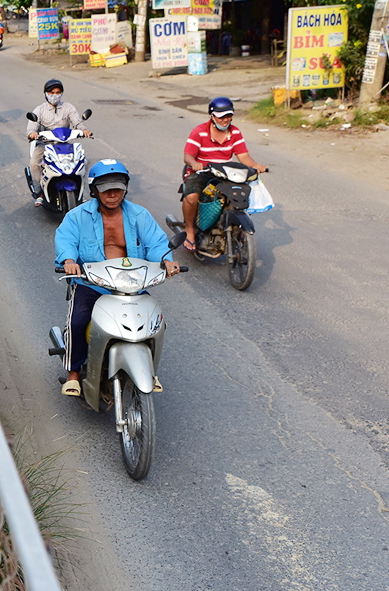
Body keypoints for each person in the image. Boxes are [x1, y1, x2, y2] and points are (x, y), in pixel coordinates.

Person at [54, 160, 180, 397]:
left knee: (154, 323)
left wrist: (166, 260)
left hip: (131, 285)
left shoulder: (139, 215)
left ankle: (149, 370)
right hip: (92, 284)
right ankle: (72, 374)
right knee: (77, 323)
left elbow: (156, 243)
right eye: (106, 189)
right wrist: (69, 261)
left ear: (125, 188)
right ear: (94, 191)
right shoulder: (78, 216)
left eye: (118, 188)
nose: (112, 194)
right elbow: (66, 239)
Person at [181, 96, 266, 251]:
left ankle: (236, 228)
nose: (225, 120)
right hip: (202, 172)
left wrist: (255, 166)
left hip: (225, 173)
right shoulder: (199, 131)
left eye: (229, 116)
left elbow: (243, 156)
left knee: (240, 196)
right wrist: (194, 164)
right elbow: (188, 156)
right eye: (221, 117)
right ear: (212, 116)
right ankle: (189, 230)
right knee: (192, 198)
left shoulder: (234, 132)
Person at [27, 78, 91, 206]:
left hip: (66, 144)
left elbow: (77, 123)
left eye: (57, 92)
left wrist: (84, 130)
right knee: (34, 163)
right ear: (46, 93)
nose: (54, 95)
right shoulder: (39, 110)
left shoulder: (68, 107)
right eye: (52, 92)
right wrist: (32, 134)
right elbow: (31, 128)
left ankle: (80, 192)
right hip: (45, 145)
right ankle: (39, 193)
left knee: (83, 161)